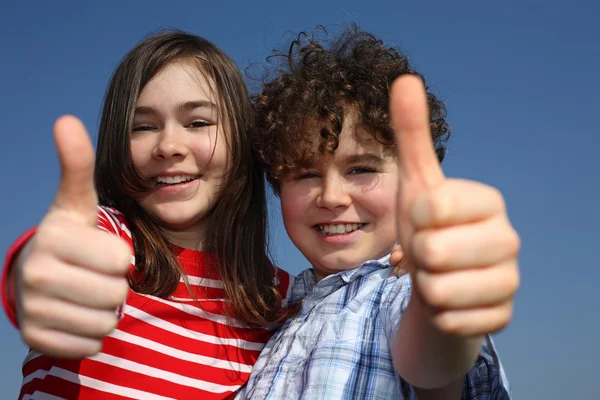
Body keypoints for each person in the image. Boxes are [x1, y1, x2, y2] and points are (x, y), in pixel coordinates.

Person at [1, 31, 294, 399]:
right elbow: (55, 258)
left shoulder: (277, 297)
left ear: (243, 140)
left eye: (198, 122)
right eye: (143, 127)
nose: (168, 146)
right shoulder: (110, 242)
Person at [239, 26, 520, 399]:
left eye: (361, 169)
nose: (333, 196)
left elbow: (431, 363)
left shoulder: (403, 291)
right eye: (306, 173)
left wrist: (439, 306)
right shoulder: (271, 322)